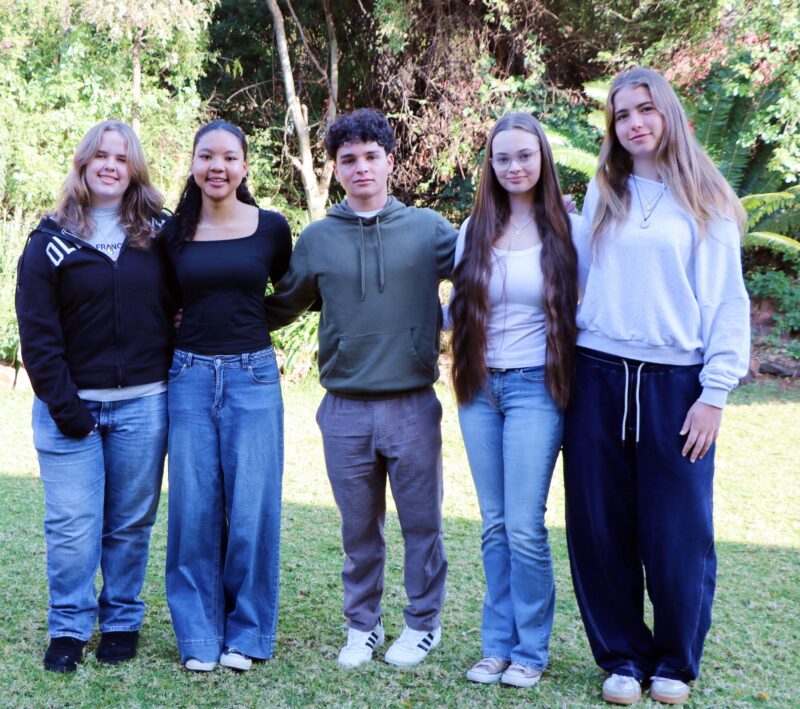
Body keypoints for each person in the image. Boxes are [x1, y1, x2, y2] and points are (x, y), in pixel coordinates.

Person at [562, 68, 750, 705]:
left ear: (667, 112)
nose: (634, 123)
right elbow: (579, 279)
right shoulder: (604, 191)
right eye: (622, 114)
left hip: (676, 384)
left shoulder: (707, 199)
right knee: (599, 528)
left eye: (645, 109)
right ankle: (621, 657)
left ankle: (674, 661)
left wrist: (714, 394)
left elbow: (726, 303)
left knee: (677, 532)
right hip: (597, 375)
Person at [265, 108, 456, 669]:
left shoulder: (429, 230)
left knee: (422, 525)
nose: (361, 167)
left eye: (372, 156)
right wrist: (208, 316)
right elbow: (285, 304)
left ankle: (422, 624)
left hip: (412, 405)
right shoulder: (318, 239)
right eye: (348, 159)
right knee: (358, 530)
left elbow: (486, 272)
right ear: (336, 168)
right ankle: (362, 625)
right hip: (345, 408)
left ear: (390, 161)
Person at [15, 120, 174, 672]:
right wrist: (69, 410)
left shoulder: (161, 234)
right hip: (70, 407)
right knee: (73, 526)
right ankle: (68, 626)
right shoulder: (49, 241)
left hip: (144, 403)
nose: (110, 165)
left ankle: (122, 618)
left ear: (135, 169)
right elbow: (38, 335)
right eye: (100, 155)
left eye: (122, 157)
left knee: (129, 523)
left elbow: (196, 289)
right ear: (83, 164)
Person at [449, 113, 579, 688]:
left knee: (524, 526)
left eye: (525, 155)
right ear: (491, 165)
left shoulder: (569, 229)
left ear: (543, 158)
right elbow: (457, 310)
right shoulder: (474, 228)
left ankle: (530, 650)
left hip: (535, 389)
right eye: (502, 158)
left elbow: (589, 307)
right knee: (495, 525)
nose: (514, 166)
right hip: (479, 389)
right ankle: (495, 646)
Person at [163, 120, 292, 673]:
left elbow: (292, 292)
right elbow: (160, 301)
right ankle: (198, 636)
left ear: (244, 166)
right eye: (206, 156)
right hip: (188, 378)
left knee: (252, 511)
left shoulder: (272, 228)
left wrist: (253, 321)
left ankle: (248, 634)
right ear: (194, 164)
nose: (217, 166)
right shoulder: (171, 233)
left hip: (253, 378)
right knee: (192, 510)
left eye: (229, 157)